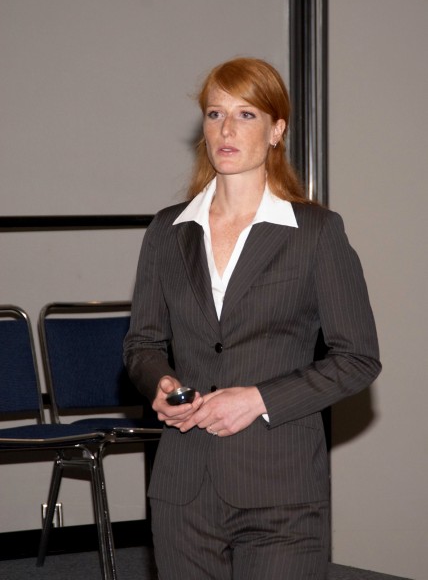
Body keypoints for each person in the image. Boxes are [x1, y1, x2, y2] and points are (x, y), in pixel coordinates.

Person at [124, 57, 381, 580]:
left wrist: (258, 399)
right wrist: (162, 384)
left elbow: (358, 358)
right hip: (183, 486)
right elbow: (142, 344)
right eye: (215, 113)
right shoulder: (167, 231)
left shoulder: (316, 232)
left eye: (246, 115)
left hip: (281, 487)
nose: (227, 129)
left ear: (276, 130)